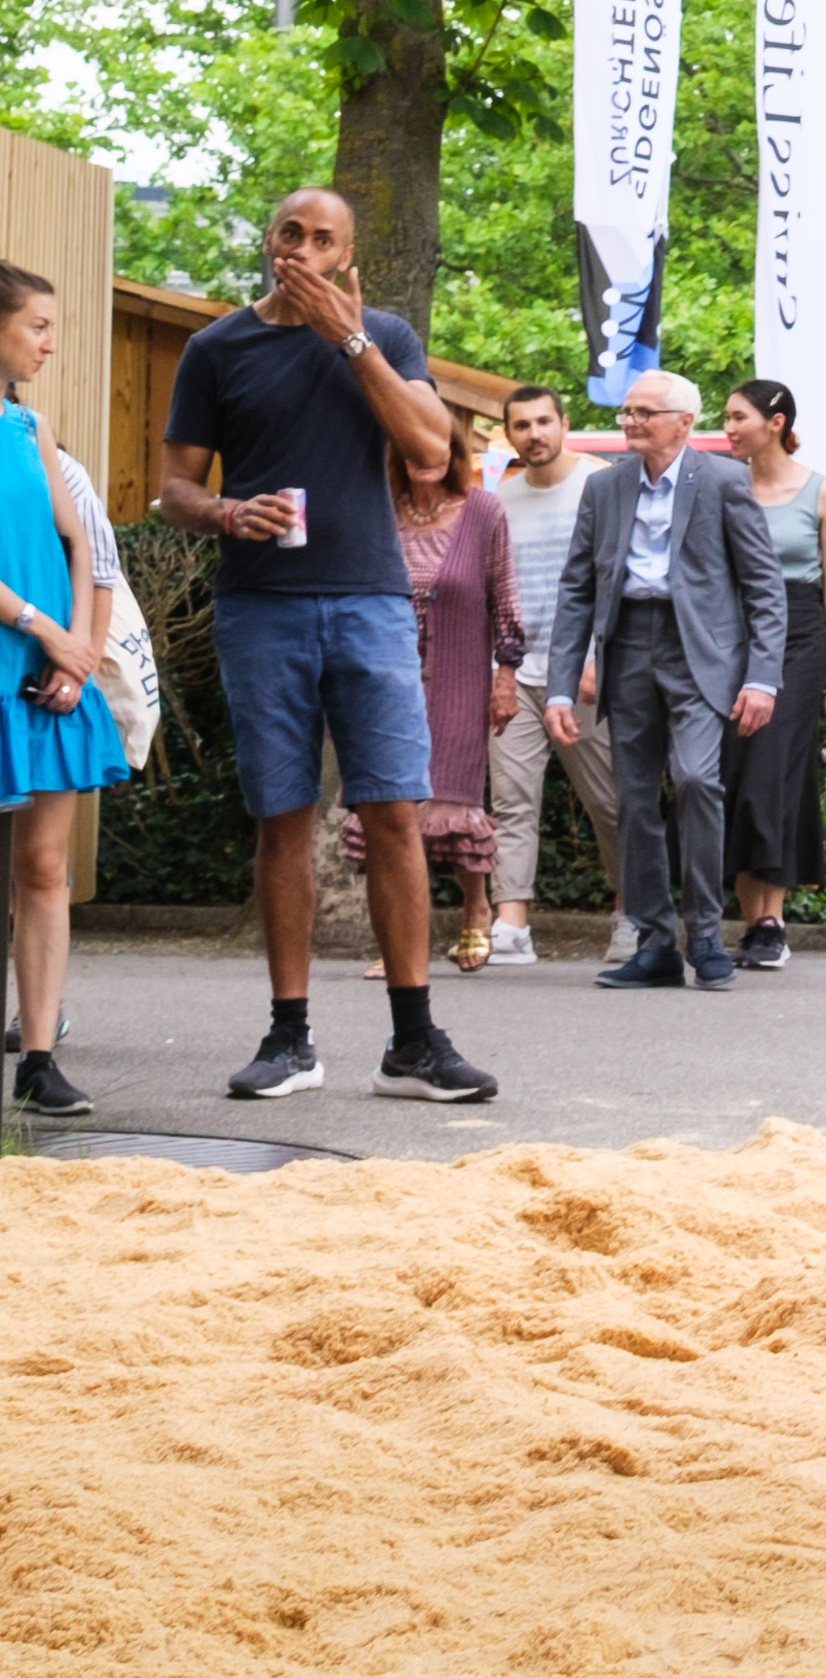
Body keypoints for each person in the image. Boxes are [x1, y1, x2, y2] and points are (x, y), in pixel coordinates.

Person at [161, 186, 492, 1103]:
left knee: (394, 813)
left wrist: (349, 340)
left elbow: (431, 450)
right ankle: (289, 1037)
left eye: (324, 239)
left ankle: (415, 1042)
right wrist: (228, 511)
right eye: (291, 234)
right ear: (270, 244)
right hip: (261, 605)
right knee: (283, 817)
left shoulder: (384, 335)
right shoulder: (216, 349)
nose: (304, 249)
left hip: (371, 602)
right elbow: (175, 490)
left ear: (347, 255)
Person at [543, 369, 785, 993]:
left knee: (699, 779)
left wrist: (762, 678)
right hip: (627, 647)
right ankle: (654, 942)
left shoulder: (726, 480)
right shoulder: (605, 486)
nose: (629, 422)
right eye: (626, 412)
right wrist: (562, 686)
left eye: (643, 412)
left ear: (684, 421)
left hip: (700, 653)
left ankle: (704, 932)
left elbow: (763, 585)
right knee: (633, 801)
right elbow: (575, 589)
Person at [0, 264, 122, 1115]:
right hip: (25, 649)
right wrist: (45, 631)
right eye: (38, 325)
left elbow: (79, 541)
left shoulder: (32, 427)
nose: (50, 342)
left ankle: (38, 1059)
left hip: (48, 674)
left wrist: (74, 650)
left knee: (44, 866)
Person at [718, 380, 826, 970]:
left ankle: (770, 920)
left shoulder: (824, 494)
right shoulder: (723, 489)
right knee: (735, 769)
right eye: (724, 418)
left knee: (774, 770)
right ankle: (753, 919)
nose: (726, 428)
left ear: (775, 422)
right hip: (733, 635)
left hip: (801, 638)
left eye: (737, 417)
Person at [483, 385, 623, 964]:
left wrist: (598, 655)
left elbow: (617, 578)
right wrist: (500, 671)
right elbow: (493, 593)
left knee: (614, 801)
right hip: (520, 674)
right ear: (509, 434)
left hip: (588, 672)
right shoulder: (499, 499)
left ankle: (630, 913)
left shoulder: (602, 484)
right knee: (512, 802)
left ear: (564, 423)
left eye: (544, 421)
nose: (534, 434)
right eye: (521, 425)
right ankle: (511, 924)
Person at [381, 427, 522, 976]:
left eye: (437, 447)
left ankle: (475, 907)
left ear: (455, 454)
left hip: (462, 679)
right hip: (388, 679)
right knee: (388, 801)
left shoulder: (484, 511)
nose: (425, 458)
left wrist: (505, 678)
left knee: (457, 801)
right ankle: (396, 934)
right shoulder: (381, 511)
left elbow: (504, 598)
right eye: (412, 448)